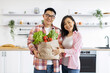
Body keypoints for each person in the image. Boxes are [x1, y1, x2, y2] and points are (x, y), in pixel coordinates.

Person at [27, 8, 61, 73]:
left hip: (54, 66)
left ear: (54, 18)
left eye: (52, 16)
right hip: (40, 65)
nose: (49, 18)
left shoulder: (58, 30)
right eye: (47, 15)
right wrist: (34, 51)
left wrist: (60, 51)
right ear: (43, 16)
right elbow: (29, 42)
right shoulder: (35, 29)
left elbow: (61, 45)